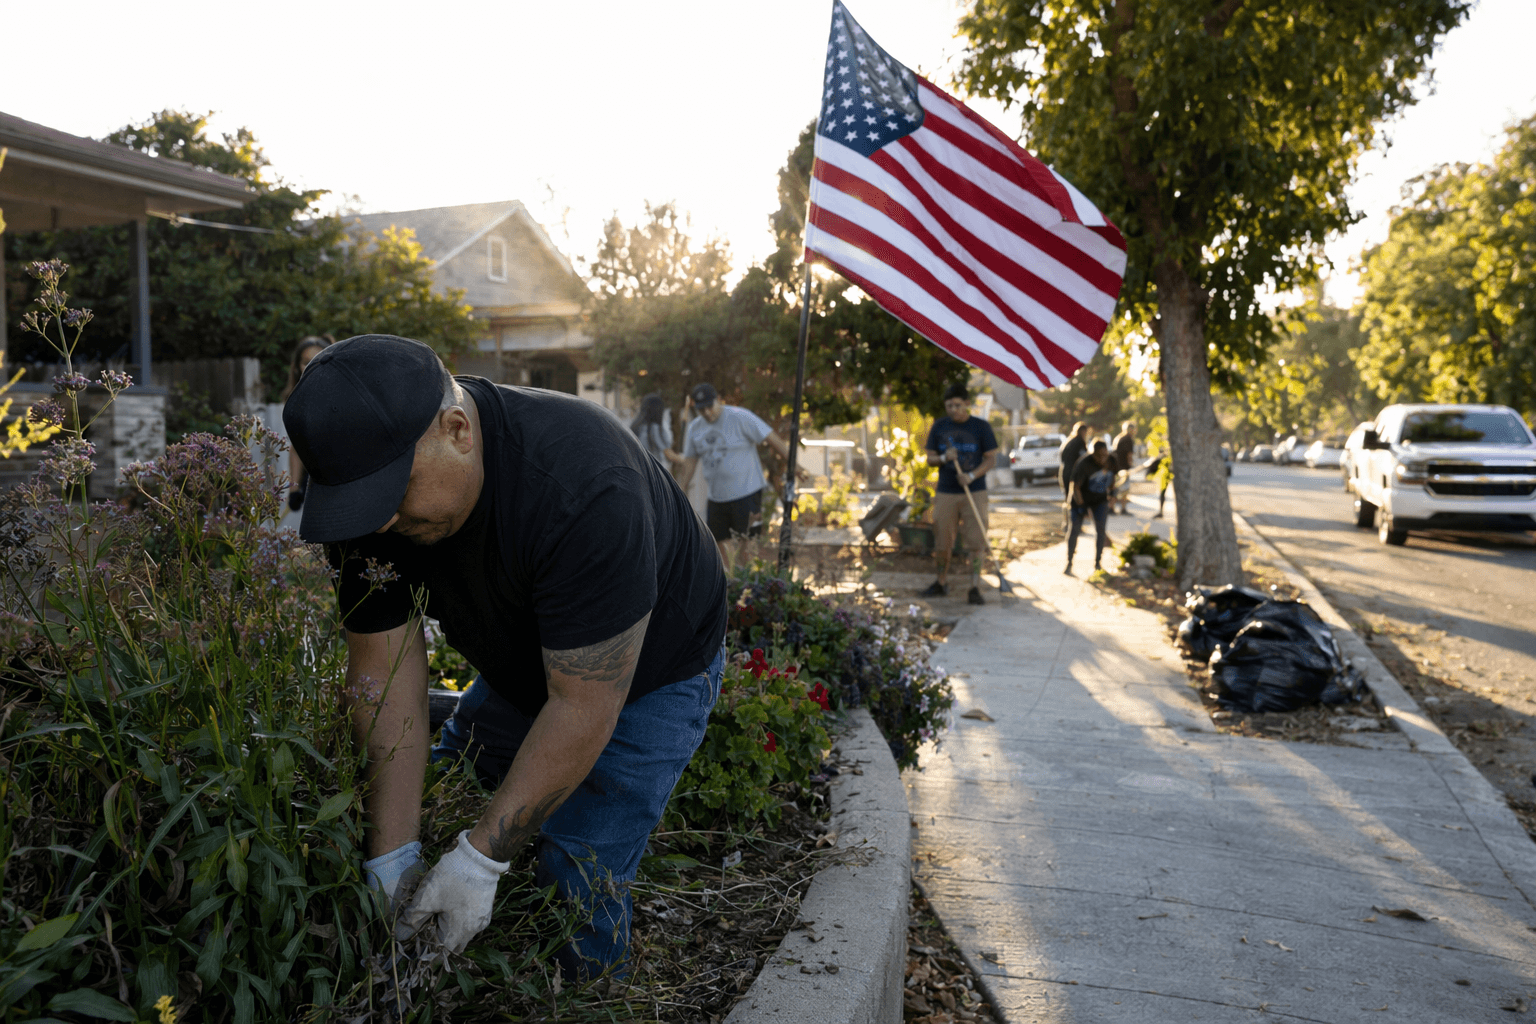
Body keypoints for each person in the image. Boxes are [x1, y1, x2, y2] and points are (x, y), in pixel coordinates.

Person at [283, 335, 727, 980]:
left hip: (651, 672)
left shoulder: (584, 484)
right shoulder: (370, 499)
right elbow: (383, 677)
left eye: (393, 493)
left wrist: (480, 860)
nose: (378, 525)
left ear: (457, 430)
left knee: (575, 870)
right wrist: (391, 859)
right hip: (522, 658)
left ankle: (586, 998)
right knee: (453, 792)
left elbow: (583, 704)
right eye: (360, 502)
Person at [675, 382, 807, 565]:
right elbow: (690, 461)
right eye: (701, 409)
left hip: (747, 492)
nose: (706, 412)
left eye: (709, 407)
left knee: (748, 544)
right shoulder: (695, 428)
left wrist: (796, 466)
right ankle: (731, 578)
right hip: (717, 496)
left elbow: (772, 438)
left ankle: (746, 578)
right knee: (718, 543)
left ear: (718, 400)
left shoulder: (740, 417)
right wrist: (679, 489)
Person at [919, 384, 1000, 606]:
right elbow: (930, 458)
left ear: (966, 403)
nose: (953, 410)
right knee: (942, 540)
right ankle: (941, 582)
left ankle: (974, 587)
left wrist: (972, 475)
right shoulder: (940, 426)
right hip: (946, 491)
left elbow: (990, 459)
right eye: (949, 406)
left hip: (975, 491)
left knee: (976, 542)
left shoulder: (981, 427)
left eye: (957, 405)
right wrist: (944, 458)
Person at [281, 335, 333, 513]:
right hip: (315, 482)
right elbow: (297, 447)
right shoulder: (295, 403)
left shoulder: (342, 395)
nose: (312, 366)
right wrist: (294, 489)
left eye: (318, 360)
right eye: (306, 362)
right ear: (296, 367)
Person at [1066, 440, 1116, 575]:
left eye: (1105, 455)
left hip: (1099, 500)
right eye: (1099, 456)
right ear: (1093, 454)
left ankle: (1098, 563)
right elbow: (1075, 487)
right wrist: (1082, 507)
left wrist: (1113, 494)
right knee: (1075, 529)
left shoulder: (1111, 461)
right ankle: (1069, 561)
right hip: (1079, 499)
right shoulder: (1084, 463)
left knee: (1101, 530)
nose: (1102, 459)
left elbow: (1112, 479)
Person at [630, 392, 680, 468]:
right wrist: (685, 459)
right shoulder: (654, 428)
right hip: (651, 471)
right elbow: (669, 455)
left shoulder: (635, 427)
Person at [1110, 420, 1138, 515]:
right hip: (1123, 468)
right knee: (1124, 489)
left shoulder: (1119, 437)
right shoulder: (1128, 439)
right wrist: (1130, 465)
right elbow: (1129, 454)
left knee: (1116, 488)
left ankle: (1111, 507)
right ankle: (1122, 508)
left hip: (1115, 467)